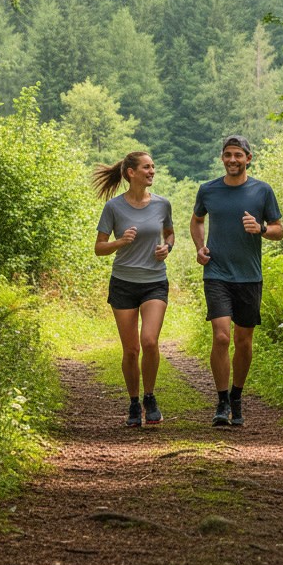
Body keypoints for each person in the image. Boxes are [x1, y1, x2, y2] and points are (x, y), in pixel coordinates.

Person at [190, 135, 282, 427]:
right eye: (228, 155)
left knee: (243, 341)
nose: (232, 160)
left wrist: (261, 228)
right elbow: (196, 220)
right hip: (216, 273)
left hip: (249, 276)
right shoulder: (208, 190)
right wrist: (199, 247)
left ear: (248, 158)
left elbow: (279, 230)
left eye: (238, 155)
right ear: (222, 158)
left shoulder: (262, 191)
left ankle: (237, 395)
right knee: (221, 336)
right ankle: (221, 401)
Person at [94, 150, 175, 428]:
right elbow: (99, 248)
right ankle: (133, 402)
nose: (152, 171)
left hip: (154, 281)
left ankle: (150, 397)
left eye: (153, 167)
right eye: (146, 167)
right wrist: (120, 242)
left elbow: (170, 233)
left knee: (150, 341)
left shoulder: (163, 204)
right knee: (131, 350)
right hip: (124, 283)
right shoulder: (114, 208)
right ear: (131, 173)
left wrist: (168, 248)